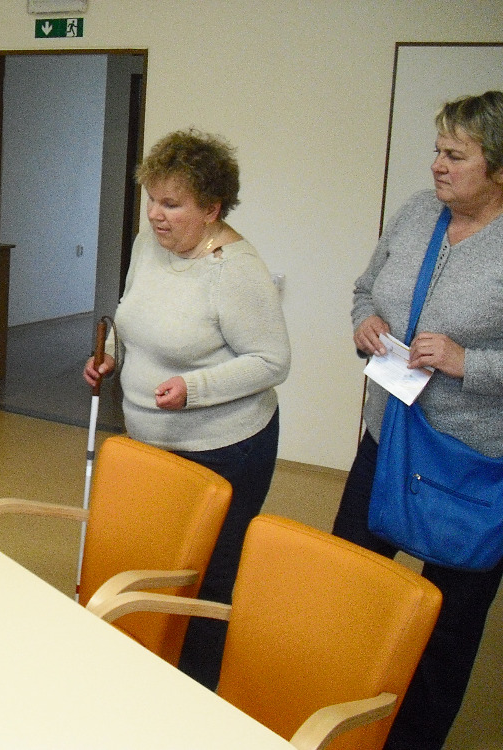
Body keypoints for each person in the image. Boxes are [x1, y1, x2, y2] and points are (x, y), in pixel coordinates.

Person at [83, 128, 291, 689]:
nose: (155, 214)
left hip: (224, 448)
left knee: (207, 580)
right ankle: (149, 670)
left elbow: (272, 361)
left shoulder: (235, 270)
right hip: (152, 443)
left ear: (212, 208)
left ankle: (196, 690)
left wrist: (194, 388)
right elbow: (133, 316)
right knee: (157, 562)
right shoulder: (148, 245)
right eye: (151, 199)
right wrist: (112, 356)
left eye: (171, 204)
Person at [332, 90, 503, 750]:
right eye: (437, 150)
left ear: (498, 167)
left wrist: (469, 362)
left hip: (473, 464)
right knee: (348, 585)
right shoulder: (415, 213)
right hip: (388, 437)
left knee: (448, 625)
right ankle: (332, 708)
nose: (437, 165)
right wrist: (365, 324)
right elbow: (364, 290)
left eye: (456, 155)